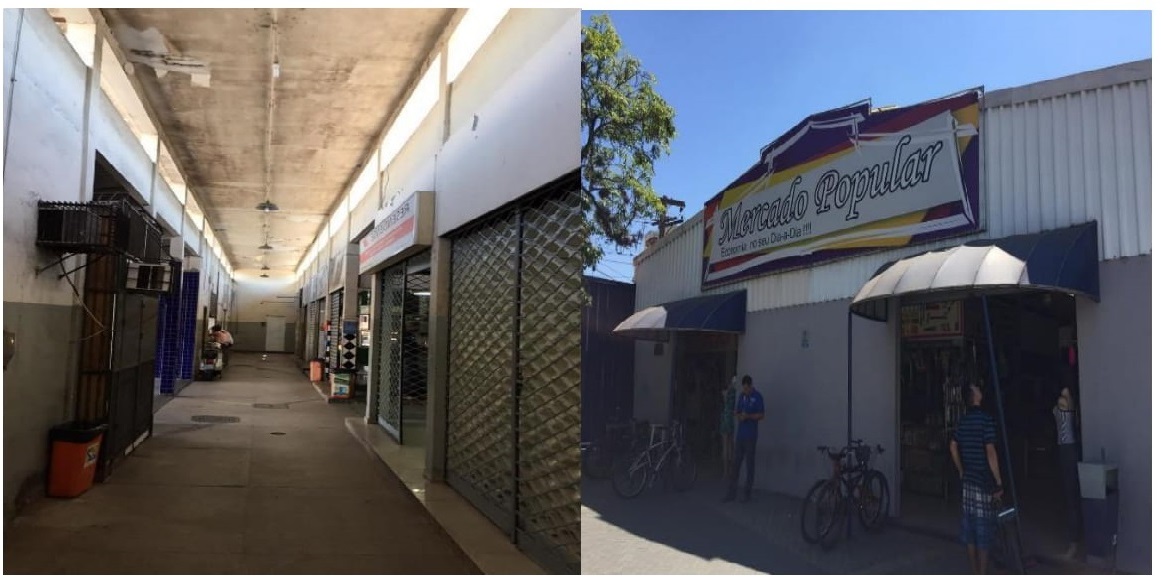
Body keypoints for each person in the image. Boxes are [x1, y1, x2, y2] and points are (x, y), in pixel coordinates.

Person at [950, 380, 1004, 575]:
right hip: (983, 482)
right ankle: (981, 574)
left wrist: (961, 470)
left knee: (970, 531)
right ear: (974, 396)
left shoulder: (963, 421)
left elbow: (953, 445)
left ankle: (974, 572)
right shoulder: (985, 420)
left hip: (968, 483)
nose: (980, 390)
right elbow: (990, 451)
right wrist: (998, 480)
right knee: (983, 531)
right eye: (977, 388)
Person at [722, 375, 764, 503]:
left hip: (751, 436)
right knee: (736, 465)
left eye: (747, 389)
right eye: (744, 389)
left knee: (750, 465)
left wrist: (749, 416)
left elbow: (761, 415)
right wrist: (739, 416)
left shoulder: (757, 397)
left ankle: (747, 494)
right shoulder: (741, 396)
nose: (745, 391)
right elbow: (737, 411)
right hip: (740, 436)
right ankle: (731, 493)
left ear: (751, 386)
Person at [1053, 385, 1083, 560]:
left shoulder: (1062, 401)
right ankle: (1074, 540)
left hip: (1066, 449)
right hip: (1069, 447)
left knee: (1070, 495)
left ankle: (1073, 544)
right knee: (1072, 494)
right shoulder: (1070, 403)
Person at [720, 376, 738, 479]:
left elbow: (724, 401)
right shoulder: (735, 392)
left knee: (725, 446)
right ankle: (731, 470)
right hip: (731, 417)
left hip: (725, 417)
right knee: (731, 446)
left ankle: (725, 471)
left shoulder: (725, 392)